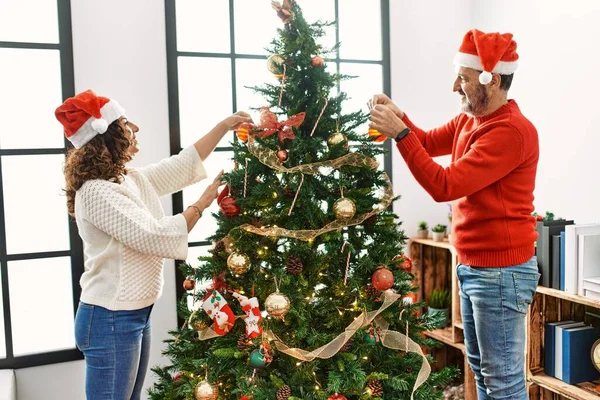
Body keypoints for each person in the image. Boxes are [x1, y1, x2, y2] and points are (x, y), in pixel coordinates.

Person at [369, 29, 540, 399]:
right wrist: (402, 118)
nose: (454, 87)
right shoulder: (469, 121)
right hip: (475, 266)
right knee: (482, 371)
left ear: (490, 79)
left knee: (504, 382)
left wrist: (400, 134)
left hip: (500, 273)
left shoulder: (510, 132)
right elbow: (427, 142)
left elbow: (444, 185)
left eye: (462, 78)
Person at [56, 89, 251, 400]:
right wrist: (201, 204)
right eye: (126, 122)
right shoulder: (96, 192)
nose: (135, 128)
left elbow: (180, 165)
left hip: (132, 314)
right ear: (107, 135)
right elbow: (153, 236)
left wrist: (224, 126)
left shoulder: (125, 179)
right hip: (110, 318)